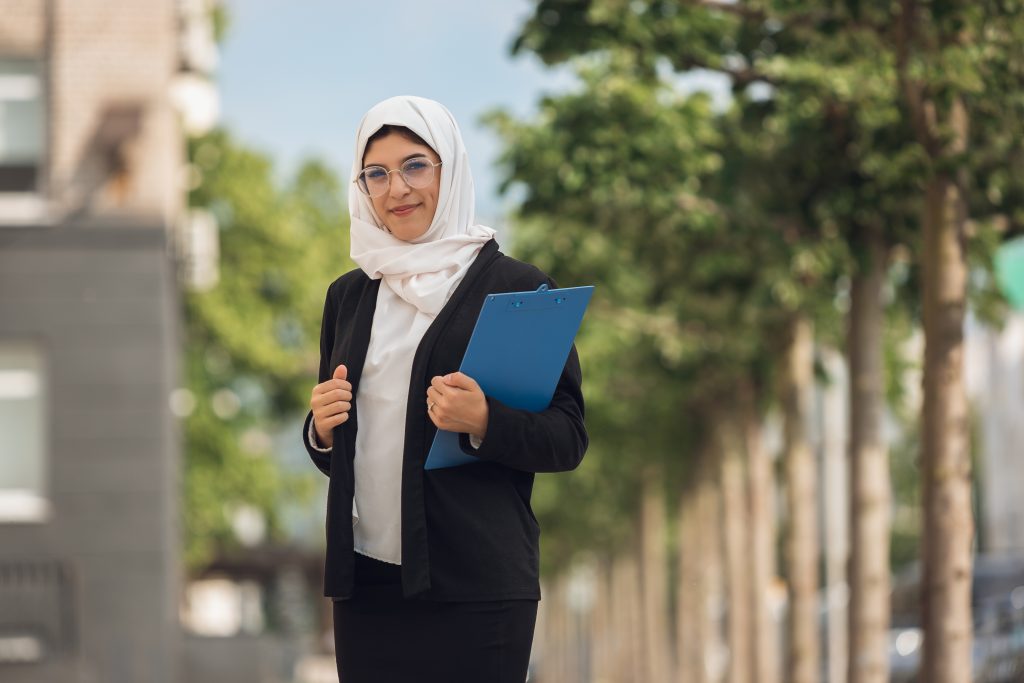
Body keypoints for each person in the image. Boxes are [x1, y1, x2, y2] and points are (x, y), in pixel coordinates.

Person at [301, 95, 588, 683]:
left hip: (476, 583)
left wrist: (485, 420)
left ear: (449, 168)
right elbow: (354, 449)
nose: (396, 188)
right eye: (375, 173)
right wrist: (321, 431)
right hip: (368, 586)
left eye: (414, 165)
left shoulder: (518, 288)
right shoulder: (349, 297)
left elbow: (567, 437)